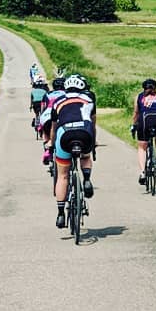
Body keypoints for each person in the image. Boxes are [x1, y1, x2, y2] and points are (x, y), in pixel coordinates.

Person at [49, 73, 97, 227]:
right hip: (84, 133)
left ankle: (60, 214)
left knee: (62, 176)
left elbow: (53, 128)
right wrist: (93, 144)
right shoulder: (89, 99)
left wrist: (52, 144)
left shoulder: (58, 101)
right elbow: (93, 125)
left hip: (64, 135)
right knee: (85, 156)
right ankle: (87, 179)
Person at [132, 78, 156, 185]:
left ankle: (142, 172)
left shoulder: (139, 97)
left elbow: (136, 113)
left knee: (142, 147)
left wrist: (134, 125)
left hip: (144, 121)